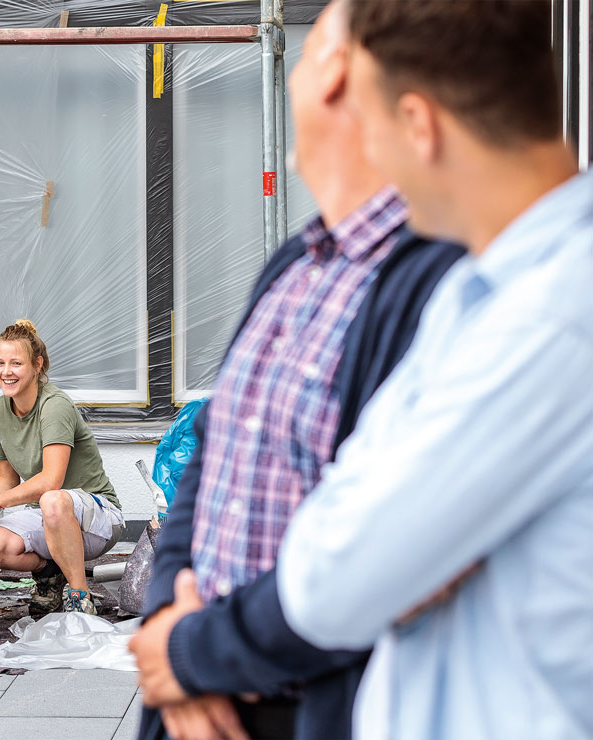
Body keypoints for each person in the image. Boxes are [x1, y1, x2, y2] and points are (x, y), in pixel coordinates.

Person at [127, 2, 464, 738]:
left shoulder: (442, 280)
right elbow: (211, 455)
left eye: (307, 53)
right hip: (194, 694)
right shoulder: (295, 263)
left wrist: (195, 656)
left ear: (338, 77)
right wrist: (168, 636)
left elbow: (392, 557)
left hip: (303, 706)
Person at [274, 1, 593, 738]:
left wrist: (374, 533)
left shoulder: (547, 322)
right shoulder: (478, 293)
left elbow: (326, 581)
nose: (371, 158)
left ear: (419, 125)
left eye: (372, 126)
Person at [0, 320, 125, 616]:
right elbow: (6, 477)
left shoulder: (54, 405)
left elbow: (51, 481)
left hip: (99, 519)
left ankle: (80, 597)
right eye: (0, 363)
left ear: (37, 365)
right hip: (49, 516)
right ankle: (50, 574)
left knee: (51, 499)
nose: (6, 372)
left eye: (16, 363)